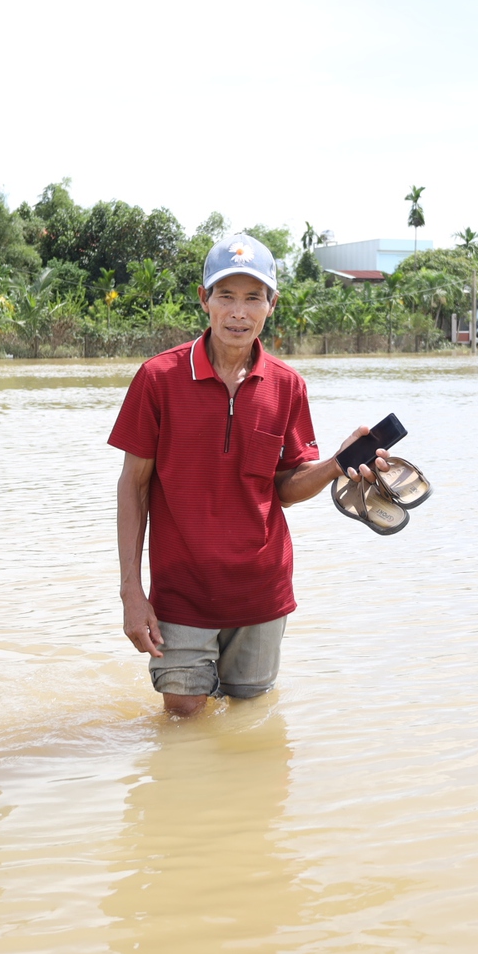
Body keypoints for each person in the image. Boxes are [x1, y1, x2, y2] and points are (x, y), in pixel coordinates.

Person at [109, 232, 390, 716]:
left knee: (249, 722)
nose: (239, 312)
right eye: (227, 296)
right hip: (181, 594)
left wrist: (335, 465)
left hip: (262, 591)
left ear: (271, 305)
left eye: (253, 298)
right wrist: (132, 593)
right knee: (184, 717)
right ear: (205, 300)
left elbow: (283, 488)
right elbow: (133, 487)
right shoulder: (158, 379)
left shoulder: (287, 386)